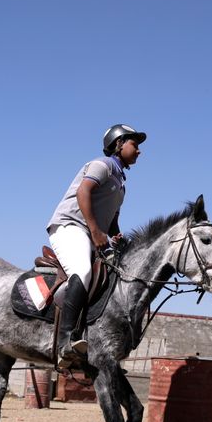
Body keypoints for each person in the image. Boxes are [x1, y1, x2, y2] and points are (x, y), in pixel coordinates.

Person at [46, 124, 147, 368]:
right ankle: (65, 341)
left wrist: (116, 235)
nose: (139, 151)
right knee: (82, 271)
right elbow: (84, 193)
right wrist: (95, 231)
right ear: (118, 144)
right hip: (70, 226)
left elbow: (111, 221)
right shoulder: (102, 165)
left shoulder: (121, 183)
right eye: (134, 144)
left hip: (91, 233)